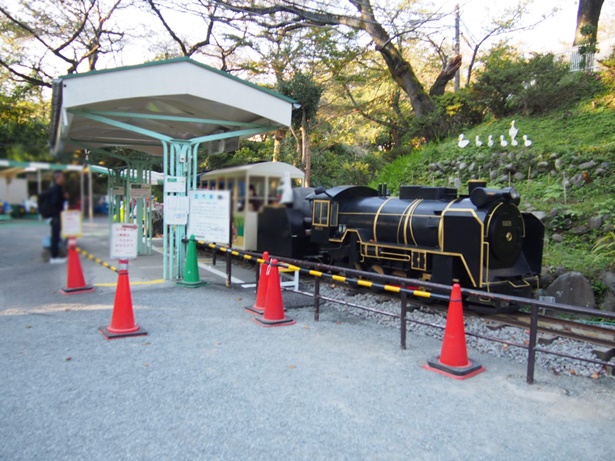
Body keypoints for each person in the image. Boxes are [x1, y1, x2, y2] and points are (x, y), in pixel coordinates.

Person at [48, 171, 68, 264]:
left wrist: (64, 197)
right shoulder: (56, 189)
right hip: (56, 216)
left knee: (56, 235)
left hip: (57, 215)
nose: (63, 179)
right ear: (57, 178)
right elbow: (54, 202)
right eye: (62, 177)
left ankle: (55, 255)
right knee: (55, 236)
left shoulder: (58, 188)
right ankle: (54, 256)